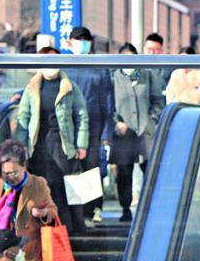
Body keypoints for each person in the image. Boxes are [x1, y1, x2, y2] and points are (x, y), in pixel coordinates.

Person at [15, 63, 90, 238]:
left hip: (62, 146)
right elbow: (23, 117)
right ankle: (42, 236)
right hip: (37, 148)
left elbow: (81, 115)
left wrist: (81, 144)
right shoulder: (31, 87)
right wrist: (21, 147)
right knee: (41, 191)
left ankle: (66, 234)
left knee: (62, 190)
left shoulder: (69, 86)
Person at [64, 26, 115, 224]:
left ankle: (92, 210)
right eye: (79, 40)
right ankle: (74, 214)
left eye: (86, 40)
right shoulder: (63, 66)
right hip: (68, 130)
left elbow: (108, 104)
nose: (82, 44)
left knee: (92, 172)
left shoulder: (99, 67)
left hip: (94, 129)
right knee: (70, 171)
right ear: (70, 42)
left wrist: (106, 134)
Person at [110, 42, 164, 222]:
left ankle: (150, 208)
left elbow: (158, 100)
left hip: (146, 132)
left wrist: (152, 119)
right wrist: (116, 122)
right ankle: (125, 209)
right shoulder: (113, 77)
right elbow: (109, 104)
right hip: (123, 134)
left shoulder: (147, 75)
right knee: (124, 172)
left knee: (150, 170)